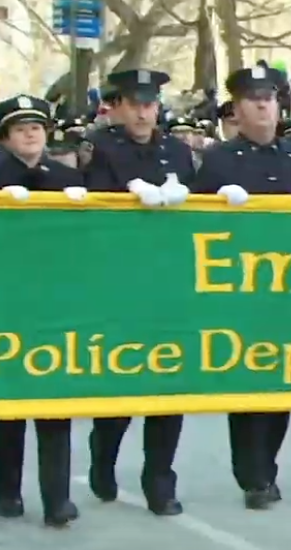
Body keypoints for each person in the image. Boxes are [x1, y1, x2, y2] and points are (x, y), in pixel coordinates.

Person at [192, 65, 291, 510]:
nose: (264, 106)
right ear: (237, 108)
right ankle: (253, 475)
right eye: (254, 99)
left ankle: (267, 466)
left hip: (290, 287)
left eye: (269, 97)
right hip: (240, 289)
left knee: (281, 383)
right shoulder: (220, 159)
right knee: (249, 385)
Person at [85, 68, 193, 516]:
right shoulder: (103, 147)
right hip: (121, 280)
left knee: (169, 387)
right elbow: (94, 208)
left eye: (149, 105)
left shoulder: (178, 150)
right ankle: (103, 457)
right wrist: (127, 194)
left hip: (170, 280)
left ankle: (160, 480)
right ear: (118, 108)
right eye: (134, 105)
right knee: (123, 381)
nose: (143, 113)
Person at [0, 94, 84, 526]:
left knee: (55, 404)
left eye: (37, 128)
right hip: (4, 300)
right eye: (20, 129)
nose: (30, 135)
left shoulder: (66, 178)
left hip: (54, 301)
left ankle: (57, 498)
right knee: (7, 408)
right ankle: (7, 490)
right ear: (5, 137)